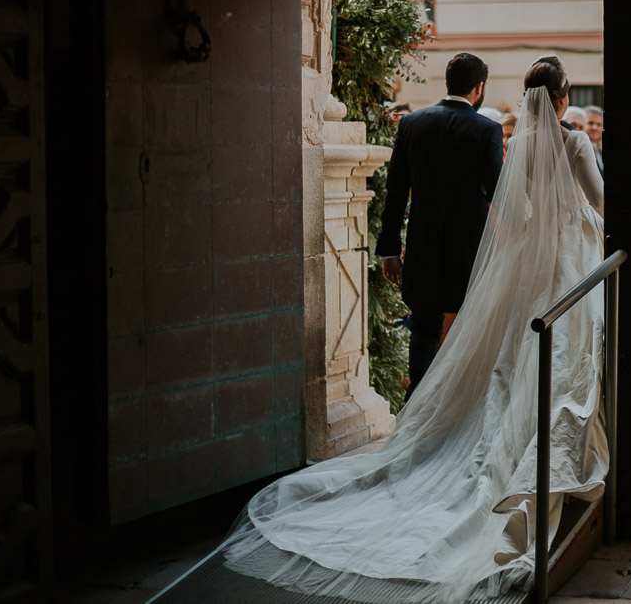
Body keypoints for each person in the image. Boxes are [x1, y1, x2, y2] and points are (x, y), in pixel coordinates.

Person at [222, 54, 607, 603]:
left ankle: (423, 410)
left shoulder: (475, 134)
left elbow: (406, 189)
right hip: (540, 253)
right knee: (550, 348)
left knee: (452, 338)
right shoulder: (545, 139)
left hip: (451, 250)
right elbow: (577, 200)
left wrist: (391, 246)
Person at [377, 53, 504, 398]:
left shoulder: (412, 123)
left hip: (424, 244)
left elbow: (395, 190)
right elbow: (500, 192)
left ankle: (417, 401)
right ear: (479, 88)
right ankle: (462, 402)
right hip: (471, 248)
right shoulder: (487, 130)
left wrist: (389, 249)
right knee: (471, 323)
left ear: (448, 83)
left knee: (424, 324)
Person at [585, 105, 604, 175]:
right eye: (590, 123)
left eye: (599, 125)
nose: (595, 127)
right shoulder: (576, 150)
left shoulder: (601, 153)